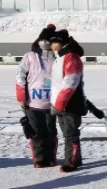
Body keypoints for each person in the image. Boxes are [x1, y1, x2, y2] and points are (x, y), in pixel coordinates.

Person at [15, 26, 58, 168]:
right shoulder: (30, 56)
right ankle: (40, 160)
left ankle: (51, 158)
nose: (45, 43)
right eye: (43, 39)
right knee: (36, 133)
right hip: (33, 103)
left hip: (51, 103)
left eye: (48, 40)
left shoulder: (58, 58)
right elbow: (20, 76)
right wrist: (21, 96)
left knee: (50, 132)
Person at [50, 29, 86, 173]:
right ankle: (75, 159)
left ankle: (71, 162)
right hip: (60, 103)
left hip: (70, 103)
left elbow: (70, 82)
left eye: (56, 42)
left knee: (71, 134)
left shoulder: (71, 57)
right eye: (52, 43)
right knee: (67, 134)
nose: (53, 46)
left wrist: (60, 103)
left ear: (63, 43)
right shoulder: (59, 57)